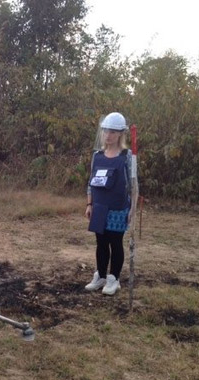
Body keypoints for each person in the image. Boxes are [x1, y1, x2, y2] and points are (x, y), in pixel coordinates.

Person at [85, 112, 135, 296]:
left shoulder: (127, 156)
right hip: (99, 207)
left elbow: (133, 185)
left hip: (118, 208)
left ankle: (114, 278)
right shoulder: (97, 155)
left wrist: (133, 210)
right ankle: (101, 276)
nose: (109, 135)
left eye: (113, 132)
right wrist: (89, 204)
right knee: (101, 243)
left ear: (120, 134)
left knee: (115, 242)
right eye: (106, 131)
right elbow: (90, 182)